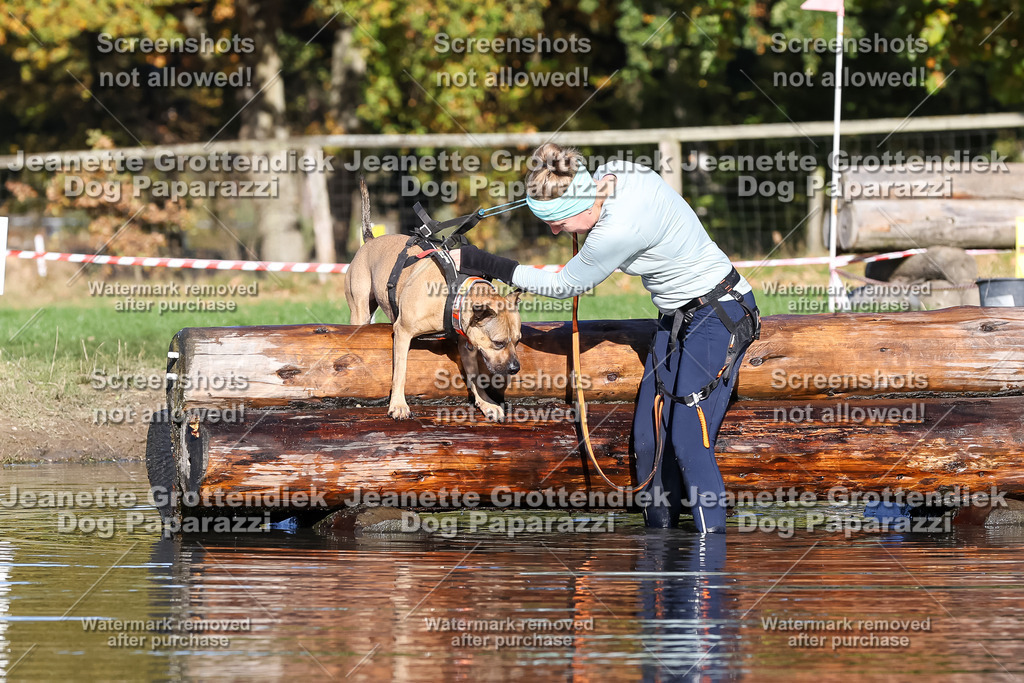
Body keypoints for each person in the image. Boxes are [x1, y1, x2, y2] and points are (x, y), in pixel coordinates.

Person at [456, 143, 759, 533]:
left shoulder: (618, 229)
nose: (554, 231)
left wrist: (485, 262)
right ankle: (658, 545)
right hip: (675, 318)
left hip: (719, 314)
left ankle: (708, 551)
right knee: (648, 439)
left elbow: (564, 284)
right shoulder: (612, 173)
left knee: (687, 439)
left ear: (581, 206)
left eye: (558, 222)